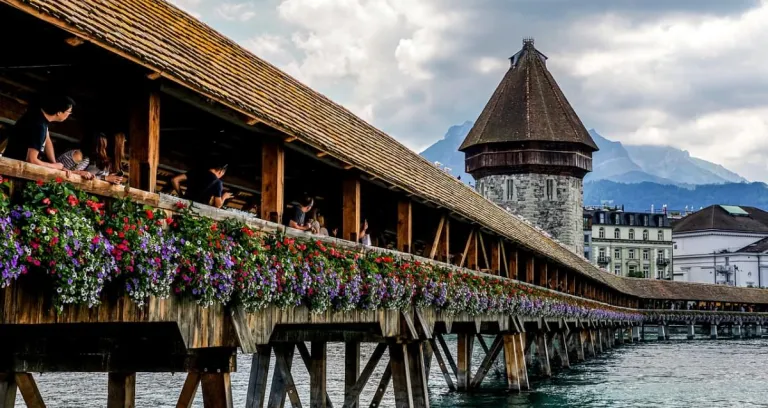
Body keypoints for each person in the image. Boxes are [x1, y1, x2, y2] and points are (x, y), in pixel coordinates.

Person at [3, 95, 74, 170]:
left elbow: (47, 140)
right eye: (69, 112)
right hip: (14, 168)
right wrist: (55, 166)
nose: (69, 114)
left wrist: (54, 163)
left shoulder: (39, 116)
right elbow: (31, 160)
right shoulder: (39, 126)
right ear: (59, 112)